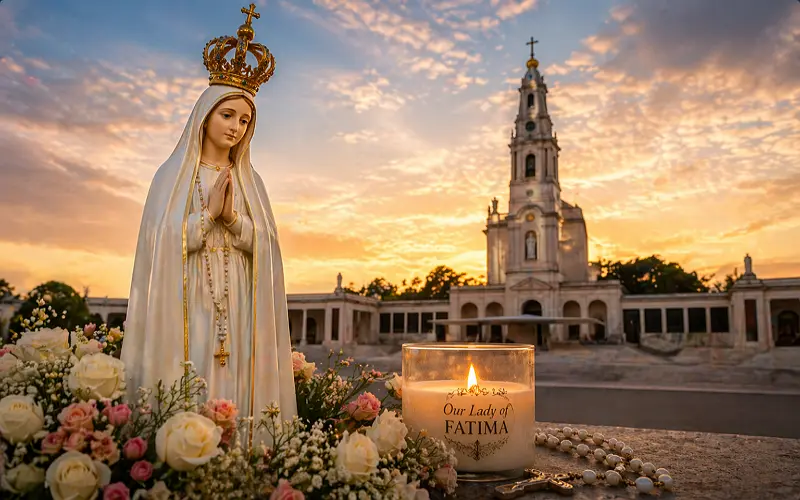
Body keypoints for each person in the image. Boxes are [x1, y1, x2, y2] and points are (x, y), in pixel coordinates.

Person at [121, 5, 296, 430]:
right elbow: (159, 243)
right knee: (193, 378)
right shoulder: (172, 177)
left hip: (240, 300)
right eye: (227, 114)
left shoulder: (251, 182)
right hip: (189, 297)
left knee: (237, 385)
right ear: (205, 115)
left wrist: (233, 220)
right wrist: (207, 217)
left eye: (245, 120)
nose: (236, 127)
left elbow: (269, 246)